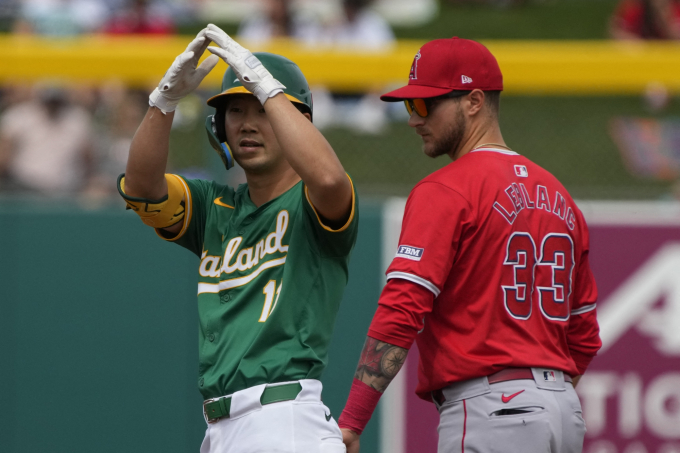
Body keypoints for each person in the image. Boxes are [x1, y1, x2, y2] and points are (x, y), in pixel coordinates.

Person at [337, 37, 602, 453]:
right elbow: (584, 336)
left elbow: (402, 307)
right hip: (563, 414)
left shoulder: (445, 189)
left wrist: (352, 421)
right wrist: (545, 400)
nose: (413, 119)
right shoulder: (560, 197)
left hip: (493, 410)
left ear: (474, 101)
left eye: (425, 105)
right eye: (410, 106)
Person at [118, 24, 357, 453]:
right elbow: (140, 188)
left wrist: (267, 87)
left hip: (284, 419)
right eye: (235, 111)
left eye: (262, 109)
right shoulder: (215, 207)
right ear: (219, 126)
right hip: (221, 428)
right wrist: (164, 101)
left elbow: (328, 177)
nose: (247, 123)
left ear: (294, 121)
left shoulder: (313, 201)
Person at [610, 0, 680, 40]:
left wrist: (662, 17)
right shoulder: (636, 7)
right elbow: (617, 31)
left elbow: (675, 38)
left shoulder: (676, 7)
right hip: (643, 58)